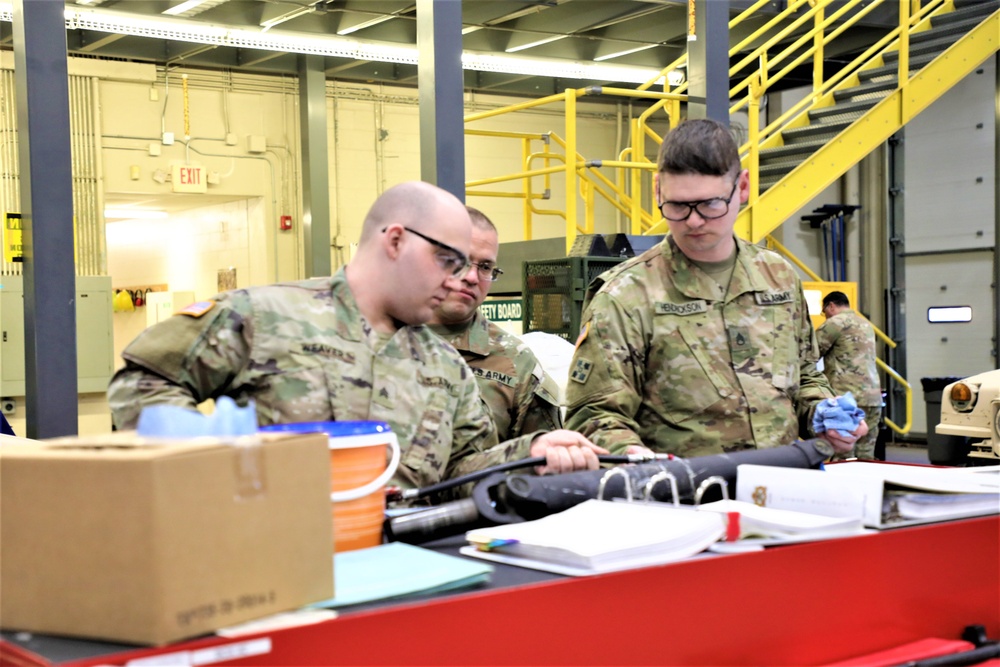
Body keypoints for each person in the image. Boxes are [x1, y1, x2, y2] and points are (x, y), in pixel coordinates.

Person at [108, 181, 605, 495]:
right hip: (273, 557)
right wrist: (215, 475)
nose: (461, 280)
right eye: (448, 262)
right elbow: (145, 380)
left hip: (399, 566)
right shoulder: (265, 317)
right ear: (395, 240)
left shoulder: (443, 366)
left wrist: (532, 451)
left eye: (475, 267)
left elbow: (461, 468)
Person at [564, 118, 866, 458]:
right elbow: (593, 416)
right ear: (657, 191)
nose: (693, 220)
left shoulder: (778, 278)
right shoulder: (626, 295)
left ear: (743, 188)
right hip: (685, 498)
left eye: (710, 204)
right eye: (678, 205)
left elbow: (806, 377)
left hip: (783, 488)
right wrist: (632, 454)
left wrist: (825, 414)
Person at [428, 206, 562, 442]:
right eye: (461, 261)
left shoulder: (516, 363)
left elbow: (540, 466)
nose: (472, 277)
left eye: (486, 267)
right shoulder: (380, 338)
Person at [816, 291, 882, 459]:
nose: (825, 317)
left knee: (844, 454)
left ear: (831, 306)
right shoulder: (865, 324)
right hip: (873, 397)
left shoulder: (835, 323)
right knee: (866, 454)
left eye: (825, 312)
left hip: (847, 398)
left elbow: (811, 353)